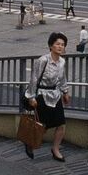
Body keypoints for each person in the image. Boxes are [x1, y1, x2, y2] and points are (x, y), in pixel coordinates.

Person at [24, 32, 71, 161]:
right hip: (42, 95)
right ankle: (30, 143)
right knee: (42, 125)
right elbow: (34, 79)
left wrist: (65, 92)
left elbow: (62, 78)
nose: (60, 47)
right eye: (57, 44)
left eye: (63, 44)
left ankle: (55, 149)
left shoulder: (62, 61)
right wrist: (31, 97)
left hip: (55, 95)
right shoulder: (43, 60)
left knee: (61, 124)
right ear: (51, 46)